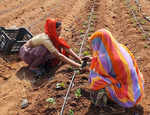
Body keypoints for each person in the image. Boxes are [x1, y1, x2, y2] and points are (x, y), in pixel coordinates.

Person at [83, 29, 144, 109]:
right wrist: (92, 59)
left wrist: (89, 67)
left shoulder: (105, 61)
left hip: (128, 97)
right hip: (137, 89)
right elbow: (108, 60)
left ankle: (103, 104)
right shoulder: (121, 48)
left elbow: (98, 71)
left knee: (95, 79)